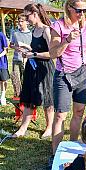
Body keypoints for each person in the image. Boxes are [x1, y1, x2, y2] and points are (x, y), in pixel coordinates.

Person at [49, 0, 86, 160]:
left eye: (84, 10)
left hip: (82, 74)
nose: (82, 14)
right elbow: (53, 53)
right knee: (60, 115)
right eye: (78, 10)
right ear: (69, 8)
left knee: (79, 112)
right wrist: (67, 40)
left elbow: (84, 48)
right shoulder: (58, 26)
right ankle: (56, 153)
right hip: (63, 75)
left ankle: (72, 147)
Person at [12, 3, 55, 138]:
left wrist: (34, 55)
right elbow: (35, 49)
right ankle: (23, 128)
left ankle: (49, 127)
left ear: (35, 14)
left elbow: (52, 53)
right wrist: (26, 50)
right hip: (32, 68)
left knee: (47, 99)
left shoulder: (46, 30)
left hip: (45, 70)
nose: (26, 18)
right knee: (29, 96)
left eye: (27, 15)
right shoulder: (33, 31)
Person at [9, 14, 32, 98]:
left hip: (27, 60)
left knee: (25, 79)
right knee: (15, 78)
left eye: (22, 21)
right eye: (19, 21)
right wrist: (17, 48)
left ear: (27, 22)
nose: (20, 23)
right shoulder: (15, 33)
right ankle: (18, 97)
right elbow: (11, 45)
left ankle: (26, 97)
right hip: (16, 59)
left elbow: (33, 48)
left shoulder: (31, 34)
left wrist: (25, 46)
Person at [0, 31, 9, 106]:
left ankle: (3, 96)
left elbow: (6, 50)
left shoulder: (1, 34)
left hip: (1, 63)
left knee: (3, 80)